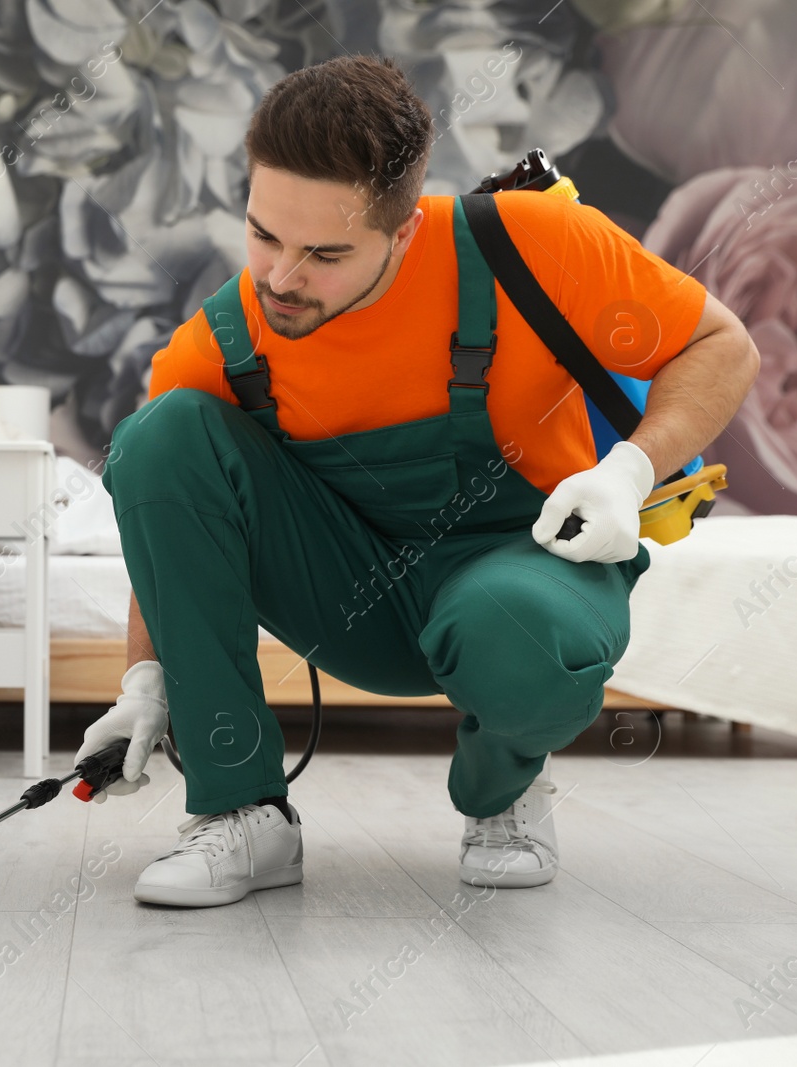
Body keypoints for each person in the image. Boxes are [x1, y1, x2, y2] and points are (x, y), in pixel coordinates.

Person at [76, 54, 760, 908]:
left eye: (325, 252)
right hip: (354, 598)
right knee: (158, 434)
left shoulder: (528, 243)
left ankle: (501, 790)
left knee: (522, 630)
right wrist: (146, 678)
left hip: (525, 567)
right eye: (263, 235)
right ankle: (242, 812)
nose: (281, 278)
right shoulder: (218, 344)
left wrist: (629, 472)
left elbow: (722, 345)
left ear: (403, 233)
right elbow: (167, 512)